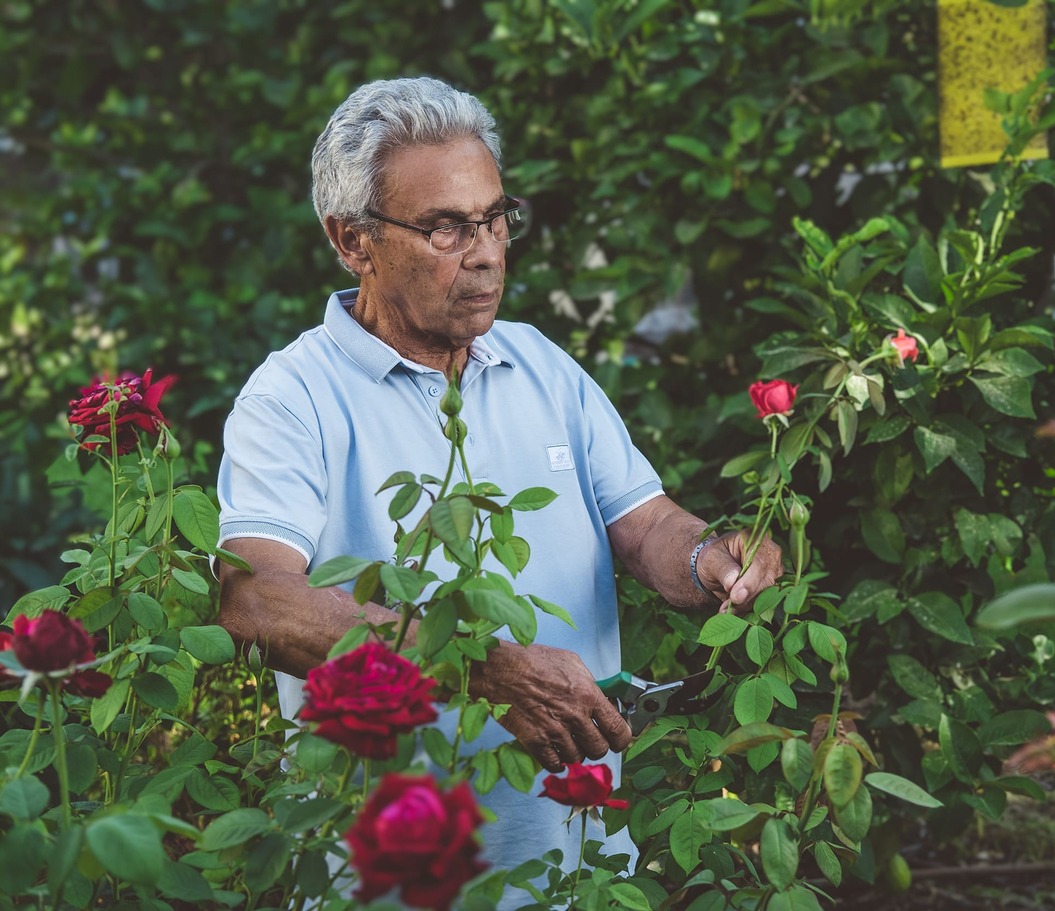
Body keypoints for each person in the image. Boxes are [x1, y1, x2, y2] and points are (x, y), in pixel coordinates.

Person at [215, 76, 782, 903]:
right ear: (352, 240)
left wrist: (709, 559)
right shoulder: (294, 396)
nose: (484, 251)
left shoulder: (542, 364)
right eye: (445, 227)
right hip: (394, 882)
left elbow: (646, 522)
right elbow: (257, 600)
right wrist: (481, 667)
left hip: (581, 868)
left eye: (493, 218)